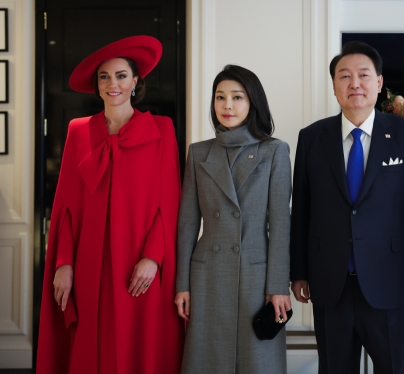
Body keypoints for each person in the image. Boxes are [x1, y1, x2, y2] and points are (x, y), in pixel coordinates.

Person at [36, 36, 184, 374]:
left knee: (140, 344)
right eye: (104, 77)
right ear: (96, 85)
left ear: (135, 82)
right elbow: (68, 206)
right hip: (90, 262)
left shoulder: (162, 129)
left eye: (120, 75)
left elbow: (169, 204)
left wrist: (153, 257)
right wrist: (63, 262)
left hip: (139, 261)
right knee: (91, 346)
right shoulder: (78, 131)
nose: (112, 83)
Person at [290, 41, 404, 374]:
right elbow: (301, 210)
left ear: (379, 83)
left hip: (390, 280)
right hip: (331, 282)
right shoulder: (312, 138)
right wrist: (298, 271)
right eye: (344, 76)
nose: (354, 83)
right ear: (334, 86)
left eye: (363, 75)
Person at [175, 65, 292, 374]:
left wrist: (278, 286)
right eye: (220, 97)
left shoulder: (274, 151)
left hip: (257, 277)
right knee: (207, 361)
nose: (227, 105)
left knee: (258, 363)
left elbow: (280, 225)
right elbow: (187, 224)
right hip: (207, 276)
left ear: (252, 102)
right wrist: (182, 285)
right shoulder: (198, 153)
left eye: (237, 97)